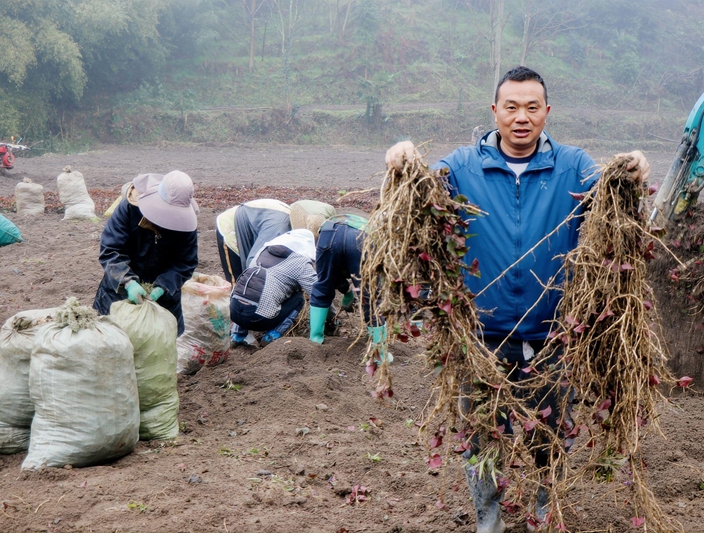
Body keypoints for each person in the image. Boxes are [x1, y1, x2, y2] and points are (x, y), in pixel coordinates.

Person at [385, 66, 650, 533]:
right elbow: (421, 191)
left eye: (532, 107)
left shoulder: (574, 166)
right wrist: (402, 156)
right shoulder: (462, 167)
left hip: (554, 338)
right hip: (481, 339)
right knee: (482, 438)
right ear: (495, 111)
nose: (521, 117)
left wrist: (632, 169)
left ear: (546, 112)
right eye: (511, 107)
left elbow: (617, 203)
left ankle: (546, 517)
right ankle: (489, 522)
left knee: (551, 436)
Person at [93, 171, 199, 336]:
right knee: (112, 340)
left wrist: (163, 286)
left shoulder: (185, 224)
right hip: (118, 293)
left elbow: (186, 262)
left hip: (163, 300)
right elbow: (111, 250)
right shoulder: (129, 208)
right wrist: (128, 282)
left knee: (161, 348)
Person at [308, 213, 391, 361]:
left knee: (323, 285)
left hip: (328, 233)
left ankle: (315, 340)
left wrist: (347, 293)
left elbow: (334, 274)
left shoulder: (333, 221)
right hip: (362, 238)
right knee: (370, 295)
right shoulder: (375, 231)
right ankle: (380, 354)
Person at [230, 229, 318, 347]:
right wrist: (330, 317)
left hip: (233, 312)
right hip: (258, 319)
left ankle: (238, 334)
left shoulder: (263, 250)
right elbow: (318, 293)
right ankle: (272, 336)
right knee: (298, 298)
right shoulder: (301, 262)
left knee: (248, 293)